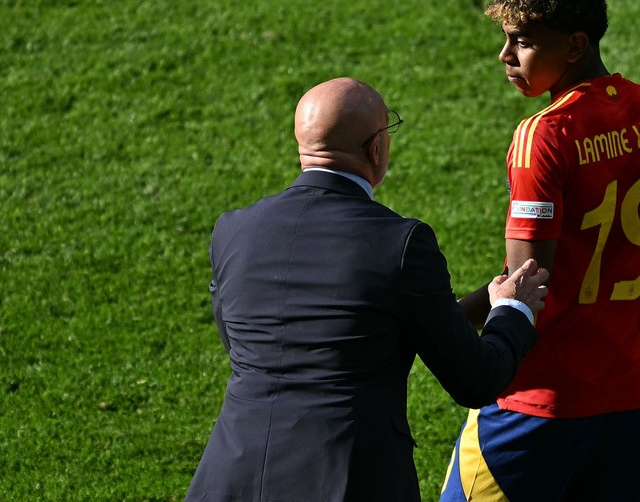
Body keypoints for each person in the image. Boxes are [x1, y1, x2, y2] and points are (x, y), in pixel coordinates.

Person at [185, 77, 550, 502]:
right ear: (375, 148)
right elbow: (476, 380)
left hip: (231, 478)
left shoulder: (232, 230)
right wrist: (512, 309)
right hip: (348, 479)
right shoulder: (401, 243)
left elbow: (243, 343)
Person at [440, 0, 640, 502]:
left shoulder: (546, 135)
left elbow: (526, 284)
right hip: (630, 400)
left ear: (573, 45)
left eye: (522, 41)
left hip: (537, 404)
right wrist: (620, 248)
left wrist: (438, 320)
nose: (505, 56)